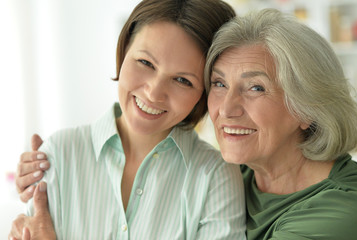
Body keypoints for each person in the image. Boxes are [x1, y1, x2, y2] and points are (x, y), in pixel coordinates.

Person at [9, 0, 247, 239]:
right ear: (124, 52)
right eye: (146, 63)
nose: (154, 93)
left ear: (203, 93)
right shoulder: (59, 155)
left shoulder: (216, 176)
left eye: (183, 80)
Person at [204, 8, 357, 239]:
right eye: (219, 83)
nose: (226, 109)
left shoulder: (342, 208)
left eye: (256, 88)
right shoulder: (227, 177)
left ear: (308, 108)